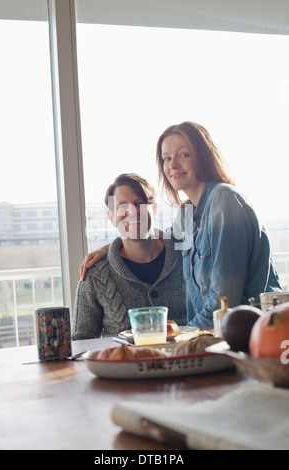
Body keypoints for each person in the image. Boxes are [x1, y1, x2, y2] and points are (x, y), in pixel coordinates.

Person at [80, 122, 281, 328]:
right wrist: (111, 248)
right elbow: (156, 239)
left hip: (250, 338)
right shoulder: (187, 214)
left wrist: (182, 339)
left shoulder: (224, 201)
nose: (172, 165)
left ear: (203, 156)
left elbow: (223, 304)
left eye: (184, 155)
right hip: (215, 340)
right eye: (167, 158)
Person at [72, 173, 186, 340]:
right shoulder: (95, 275)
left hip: (186, 363)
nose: (132, 212)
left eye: (139, 203)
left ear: (153, 210)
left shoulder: (186, 257)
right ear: (111, 217)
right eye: (122, 206)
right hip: (122, 365)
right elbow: (81, 341)